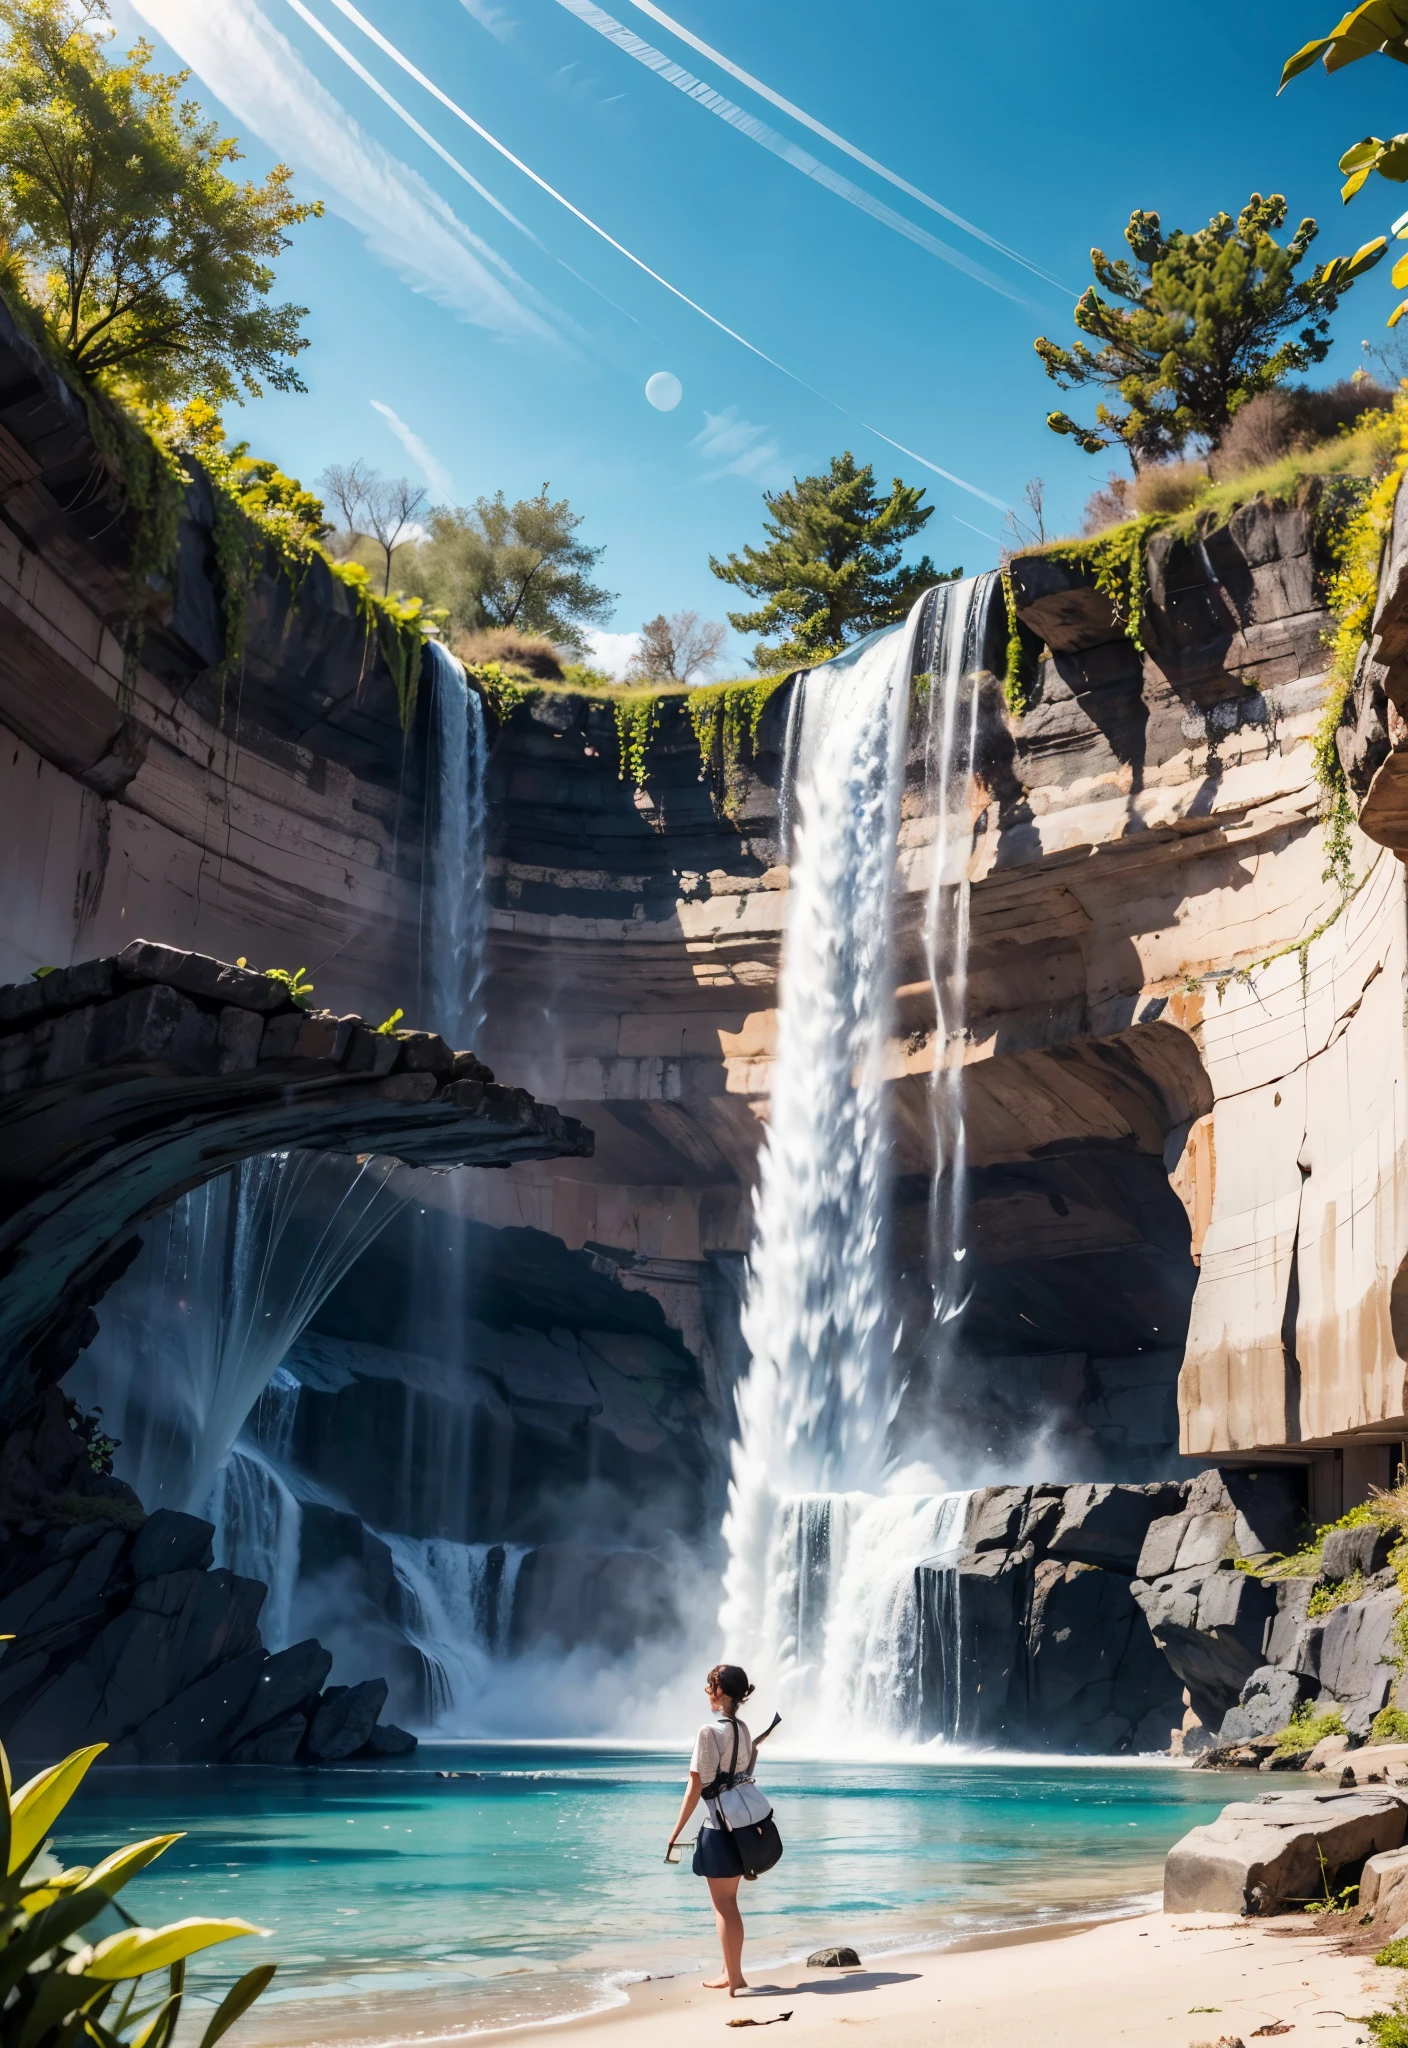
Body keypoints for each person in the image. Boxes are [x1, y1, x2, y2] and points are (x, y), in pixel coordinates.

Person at [665, 1662, 777, 1996]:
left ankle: (735, 1977)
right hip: (742, 1825)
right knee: (731, 1903)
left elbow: (695, 1786)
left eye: (708, 1686)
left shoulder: (708, 1732)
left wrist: (674, 1833)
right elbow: (742, 1770)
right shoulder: (742, 1728)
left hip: (717, 1827)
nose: (705, 1692)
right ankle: (729, 1971)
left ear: (719, 1692)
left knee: (723, 1907)